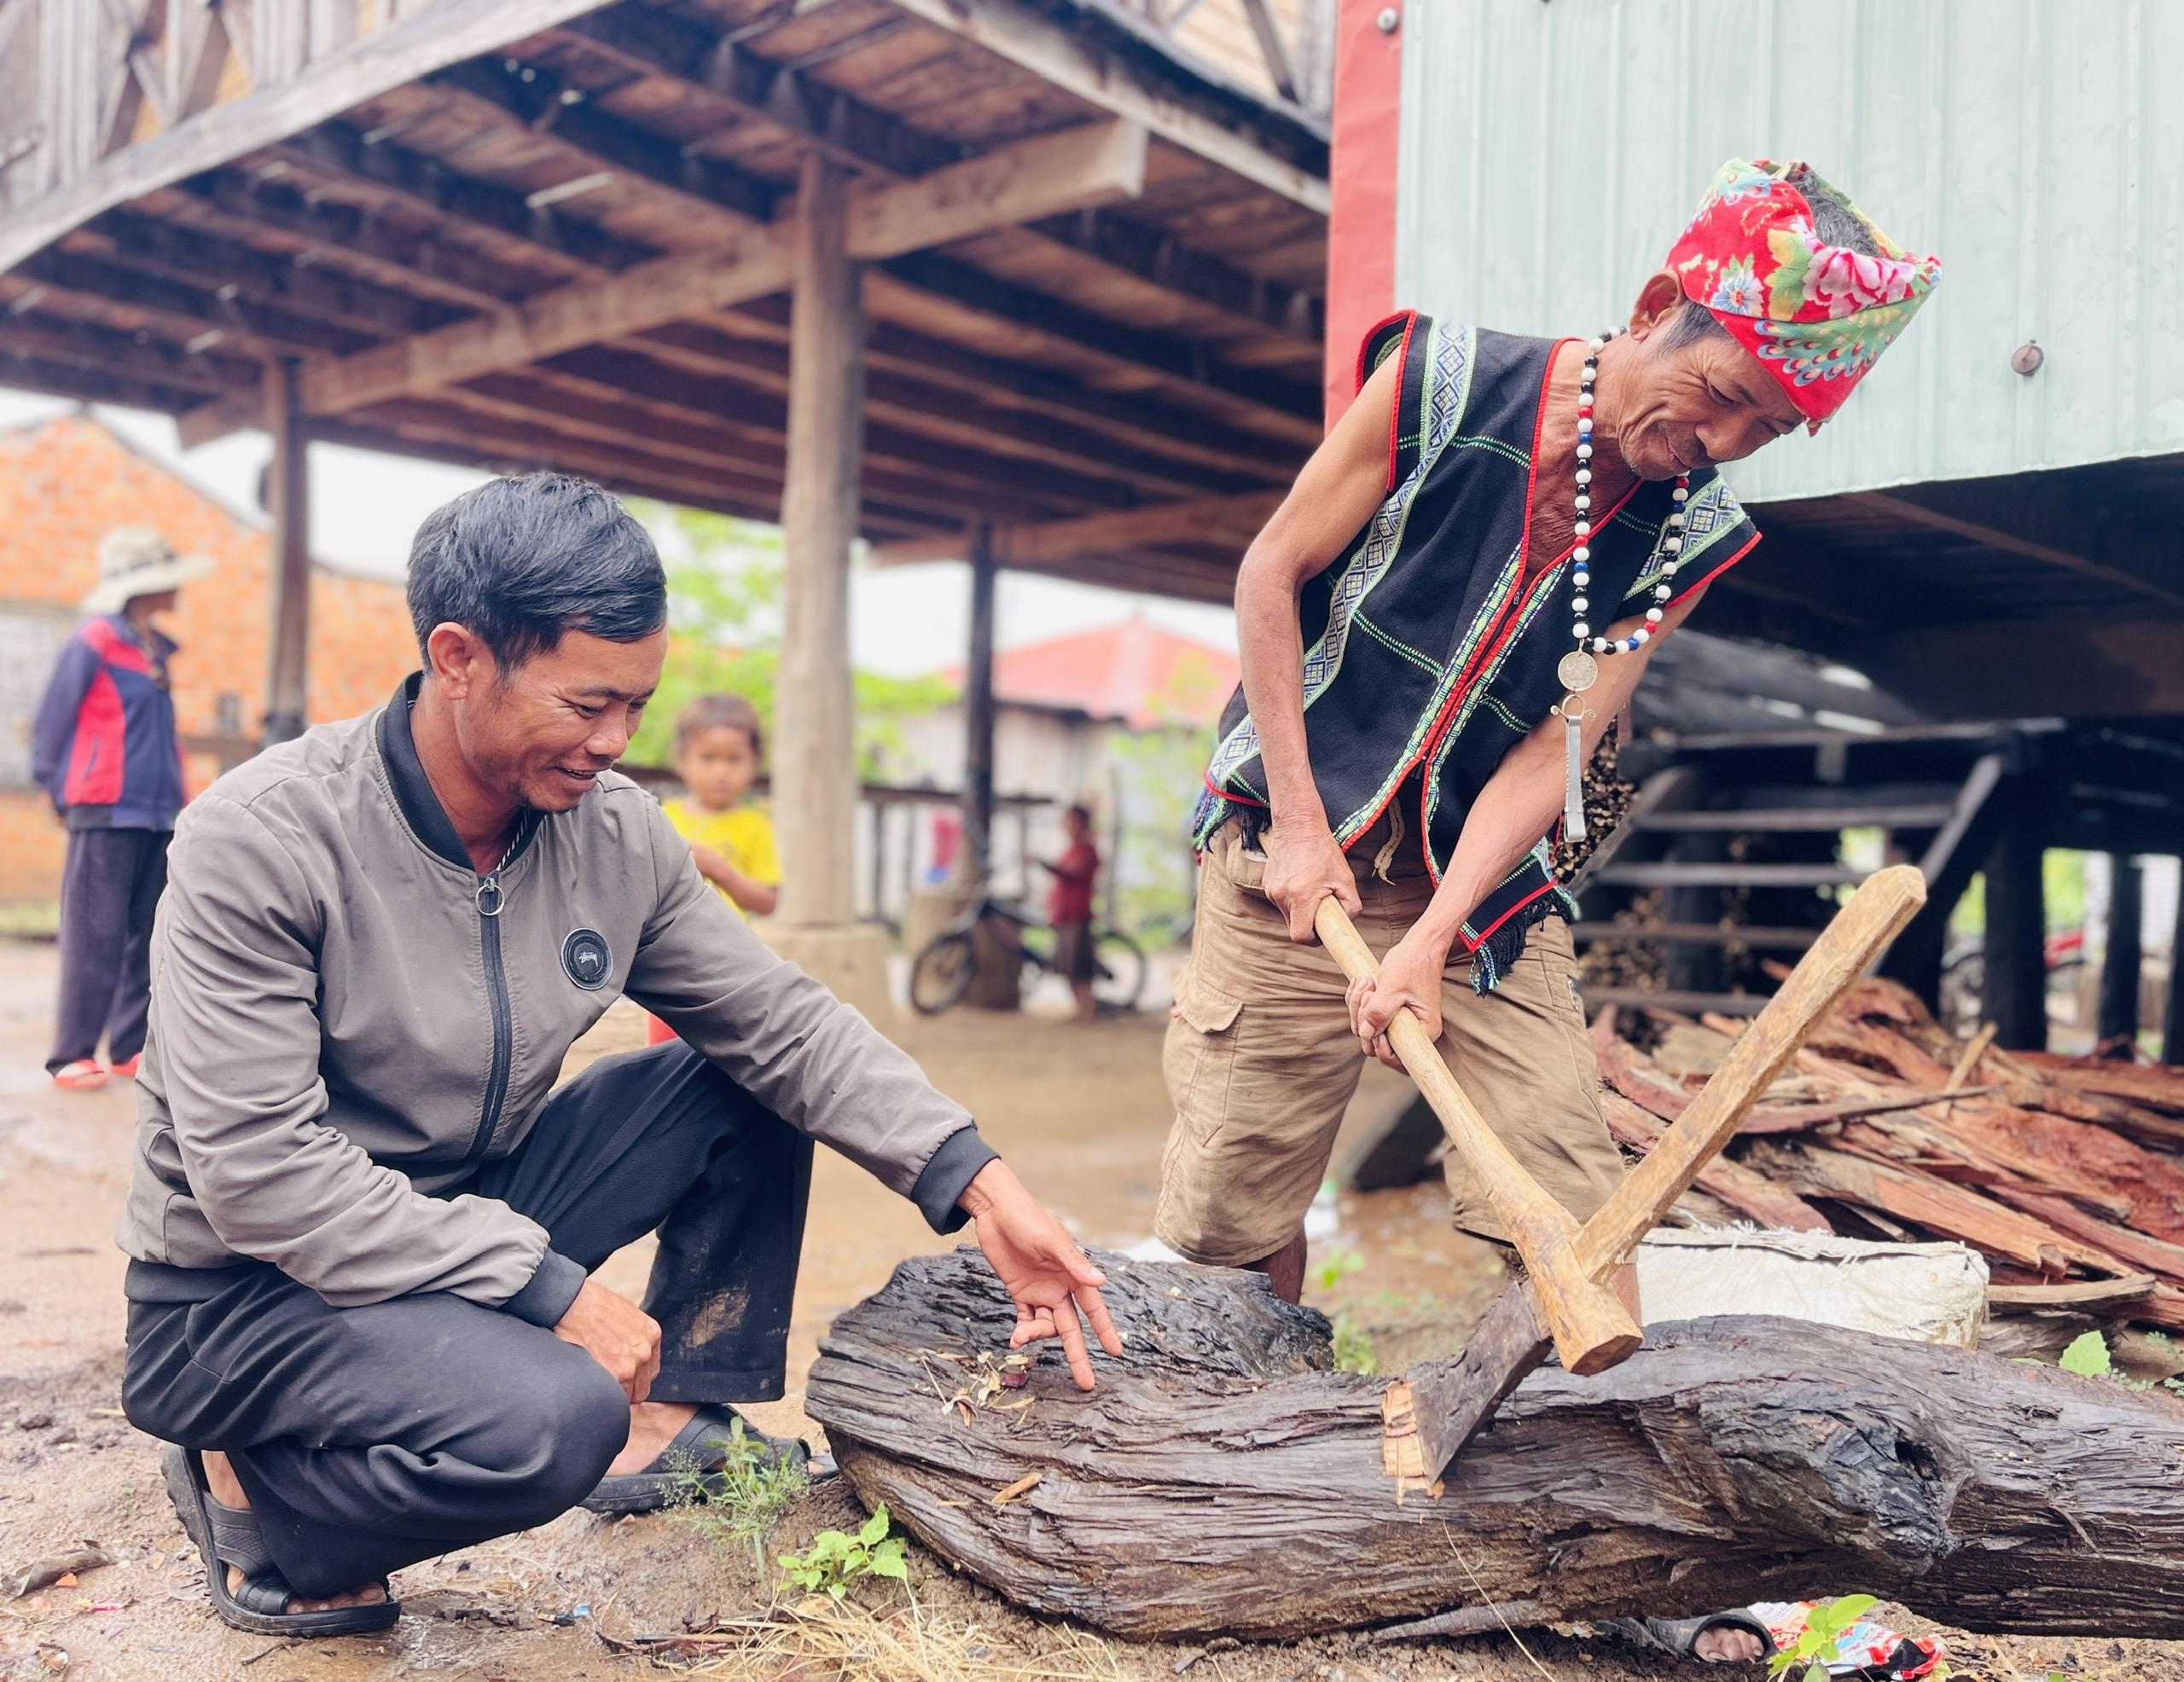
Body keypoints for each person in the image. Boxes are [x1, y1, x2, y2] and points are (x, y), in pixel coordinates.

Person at [1161, 155, 1938, 1671]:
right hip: (1298, 822)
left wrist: (1436, 932)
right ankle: (1231, 1448)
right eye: (1716, 396)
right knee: (1237, 1188)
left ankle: (1618, 1517)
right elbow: (1270, 574)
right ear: (1658, 304)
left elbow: (1557, 745)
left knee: (1574, 1190)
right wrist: (1310, 834)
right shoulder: (1444, 378)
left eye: (1763, 431)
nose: (1714, 443)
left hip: (1487, 876)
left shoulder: (1689, 532)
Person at [117, 473, 1121, 1638]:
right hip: (246, 1291)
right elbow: (260, 1176)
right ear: (458, 657)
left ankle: (673, 1415)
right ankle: (261, 1494)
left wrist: (982, 1185)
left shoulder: (614, 835)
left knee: (745, 1078)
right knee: (553, 1420)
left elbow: (782, 1021)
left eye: (637, 706)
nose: (618, 744)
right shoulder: (263, 839)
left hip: (454, 1215)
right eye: (587, 705)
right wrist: (549, 1293)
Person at [32, 526, 212, 1092]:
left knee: (147, 929)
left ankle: (130, 1046)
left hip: (157, 810)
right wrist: (56, 787)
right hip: (104, 807)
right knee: (95, 929)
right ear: (142, 587)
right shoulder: (94, 638)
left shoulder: (154, 648)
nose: (177, 590)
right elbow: (53, 721)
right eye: (167, 581)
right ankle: (71, 1053)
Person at [647, 692, 781, 1045]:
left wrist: (721, 870)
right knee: (664, 1042)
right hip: (668, 954)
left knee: (724, 1044)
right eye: (707, 758)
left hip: (729, 960)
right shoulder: (664, 816)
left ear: (754, 763)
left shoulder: (755, 825)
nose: (721, 771)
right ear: (682, 760)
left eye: (734, 759)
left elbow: (767, 901)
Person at [1040, 803, 1102, 1023]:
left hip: (1078, 916)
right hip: (1066, 916)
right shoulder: (1073, 850)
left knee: (1079, 967)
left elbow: (1072, 874)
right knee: (1070, 966)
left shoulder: (1086, 850)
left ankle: (1088, 1010)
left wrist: (1046, 865)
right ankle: (1082, 1010)